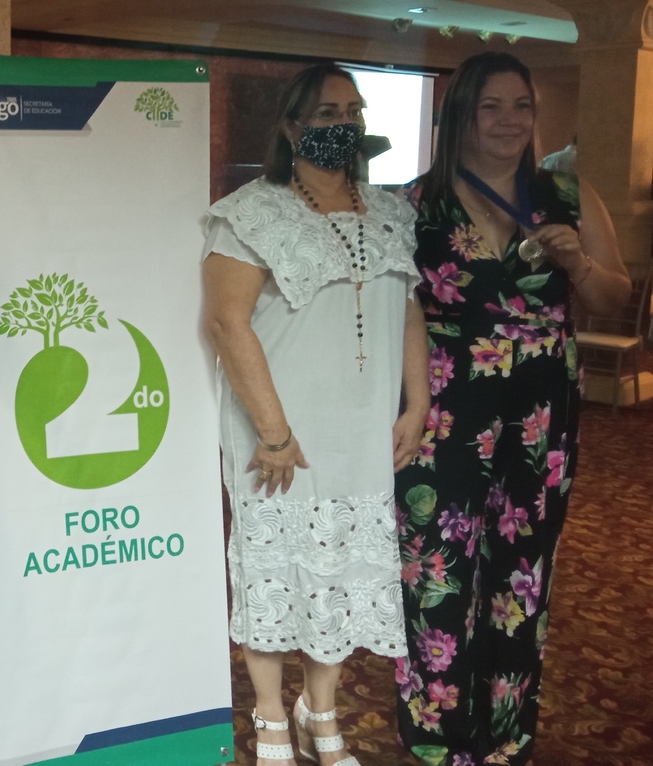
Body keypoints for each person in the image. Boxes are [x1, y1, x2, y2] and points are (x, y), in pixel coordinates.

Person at [395, 52, 629, 766]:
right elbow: (389, 311)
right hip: (443, 413)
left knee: (521, 578)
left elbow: (614, 298)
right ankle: (437, 741)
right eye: (490, 106)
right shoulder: (414, 204)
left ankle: (505, 736)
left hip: (540, 421)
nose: (509, 121)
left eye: (521, 105)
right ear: (459, 115)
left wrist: (578, 264)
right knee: (435, 574)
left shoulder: (567, 194)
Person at [203, 64, 429, 766]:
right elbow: (227, 322)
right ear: (290, 125)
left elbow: (408, 307)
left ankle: (320, 710)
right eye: (327, 112)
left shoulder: (391, 212)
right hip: (279, 432)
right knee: (276, 575)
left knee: (342, 576)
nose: (344, 124)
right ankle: (271, 713)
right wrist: (274, 432)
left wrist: (418, 399)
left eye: (353, 111)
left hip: (359, 429)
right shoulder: (250, 213)